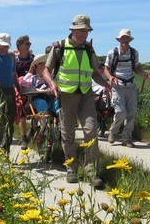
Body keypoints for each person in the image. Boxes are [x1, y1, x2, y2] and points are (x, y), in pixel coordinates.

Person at [42, 14, 110, 187]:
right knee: (68, 134)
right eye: (80, 30)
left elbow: (95, 72)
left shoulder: (89, 49)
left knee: (91, 130)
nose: (83, 34)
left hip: (86, 94)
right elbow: (46, 71)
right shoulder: (60, 47)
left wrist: (106, 84)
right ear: (72, 30)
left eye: (86, 31)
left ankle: (91, 170)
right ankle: (71, 168)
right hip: (66, 95)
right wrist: (52, 84)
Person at [103, 29, 150, 147]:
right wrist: (110, 77)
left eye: (127, 38)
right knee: (121, 112)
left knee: (132, 112)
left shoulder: (134, 53)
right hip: (117, 86)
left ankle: (126, 139)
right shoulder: (112, 52)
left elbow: (136, 69)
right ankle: (113, 132)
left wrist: (144, 74)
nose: (125, 40)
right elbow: (106, 69)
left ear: (129, 40)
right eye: (123, 38)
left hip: (131, 85)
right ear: (119, 39)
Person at [14, 35, 35, 149]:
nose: (28, 46)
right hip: (20, 89)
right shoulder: (15, 60)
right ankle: (23, 137)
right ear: (20, 46)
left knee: (34, 111)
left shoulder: (33, 58)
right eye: (26, 44)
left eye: (29, 44)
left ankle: (33, 130)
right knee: (22, 112)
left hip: (32, 88)